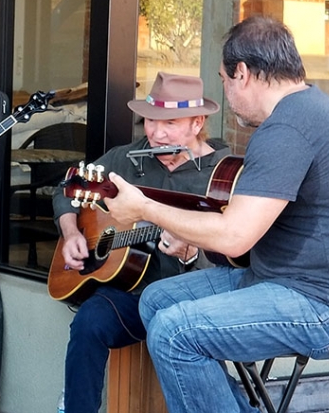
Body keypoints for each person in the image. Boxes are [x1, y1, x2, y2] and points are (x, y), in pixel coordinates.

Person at [103, 16, 329, 413]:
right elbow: (246, 223)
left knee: (173, 332)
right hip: (282, 279)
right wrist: (190, 231)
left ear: (242, 73)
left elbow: (234, 236)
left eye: (223, 79)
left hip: (328, 306)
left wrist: (144, 208)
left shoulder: (288, 128)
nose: (225, 92)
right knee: (156, 301)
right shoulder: (306, 111)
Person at [52, 72, 230, 413]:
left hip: (192, 301)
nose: (156, 134)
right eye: (150, 121)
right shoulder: (127, 158)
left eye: (170, 123)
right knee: (89, 322)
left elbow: (235, 253)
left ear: (197, 123)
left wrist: (192, 254)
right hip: (132, 295)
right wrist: (72, 232)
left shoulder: (220, 175)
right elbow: (69, 189)